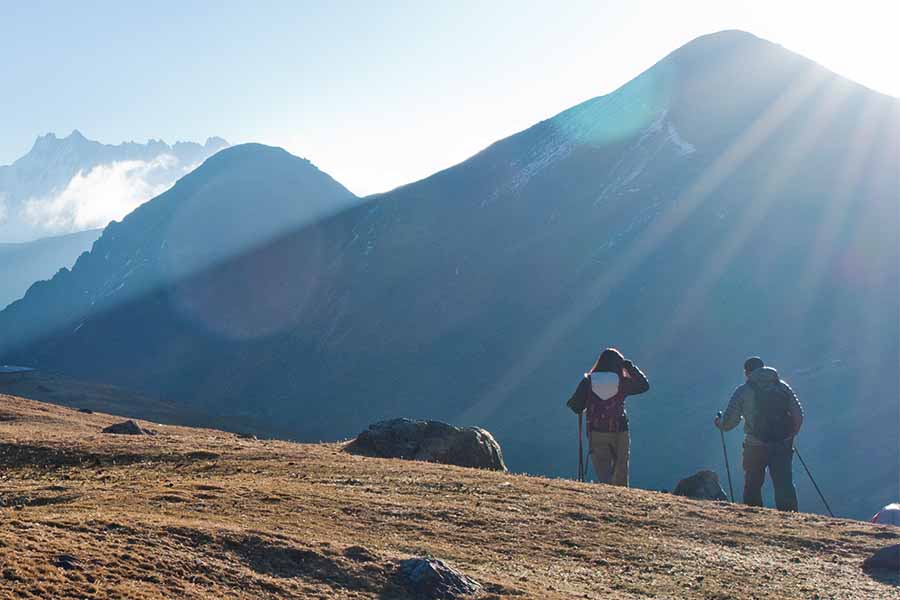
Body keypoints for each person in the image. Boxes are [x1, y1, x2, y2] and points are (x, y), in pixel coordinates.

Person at [715, 357, 803, 511]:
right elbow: (798, 415)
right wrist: (789, 436)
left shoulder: (743, 390)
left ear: (747, 372)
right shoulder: (782, 387)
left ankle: (753, 517)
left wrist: (719, 423)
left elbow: (729, 423)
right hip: (782, 444)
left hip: (755, 445)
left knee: (753, 483)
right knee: (784, 483)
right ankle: (792, 518)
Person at [566, 348, 650, 486]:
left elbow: (576, 406)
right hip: (620, 430)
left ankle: (608, 499)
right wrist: (630, 367)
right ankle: (623, 500)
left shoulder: (588, 381)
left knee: (603, 472)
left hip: (597, 431)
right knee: (621, 469)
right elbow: (644, 386)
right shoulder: (622, 382)